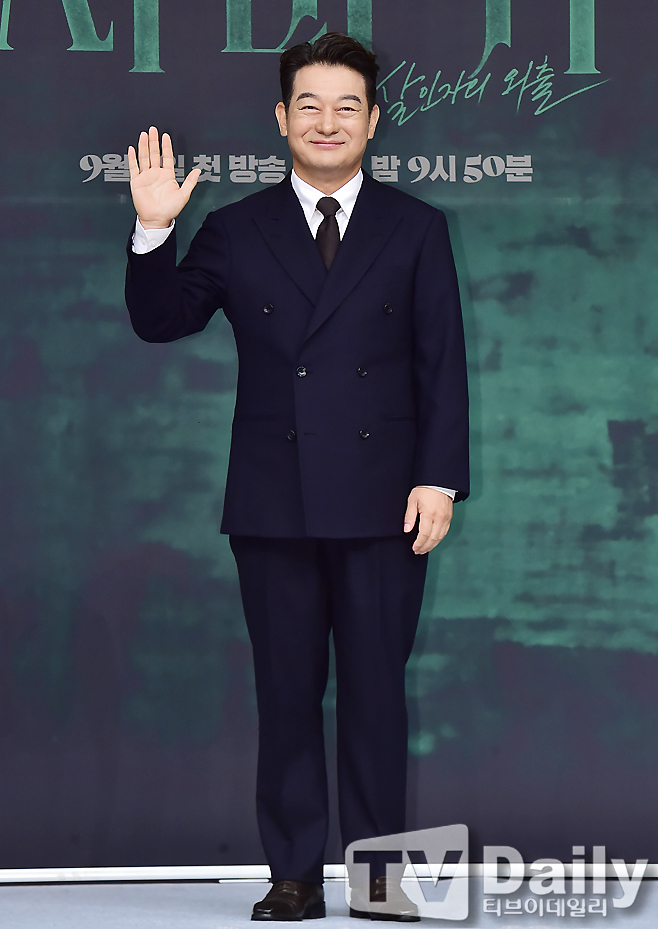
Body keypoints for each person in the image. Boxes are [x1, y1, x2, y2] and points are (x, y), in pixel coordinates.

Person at [125, 32, 469, 921]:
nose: (327, 121)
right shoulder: (237, 228)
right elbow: (161, 321)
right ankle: (293, 874)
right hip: (274, 500)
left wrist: (438, 479)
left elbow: (441, 363)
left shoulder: (416, 227)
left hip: (386, 501)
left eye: (347, 106)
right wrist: (154, 230)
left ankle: (382, 878)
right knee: (285, 695)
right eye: (309, 105)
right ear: (282, 118)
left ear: (373, 121)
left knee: (376, 697)